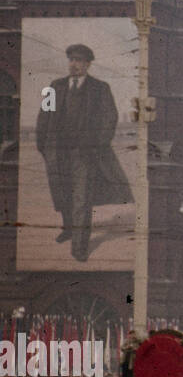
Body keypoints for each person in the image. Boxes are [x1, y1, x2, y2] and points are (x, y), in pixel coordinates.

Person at [35, 44, 133, 262]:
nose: (74, 64)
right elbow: (44, 118)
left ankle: (79, 248)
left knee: (81, 199)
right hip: (57, 153)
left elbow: (110, 120)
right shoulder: (55, 87)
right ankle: (69, 229)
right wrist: (43, 146)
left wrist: (94, 146)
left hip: (85, 154)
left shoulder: (100, 89)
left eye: (79, 60)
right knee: (62, 193)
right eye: (71, 59)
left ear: (88, 64)